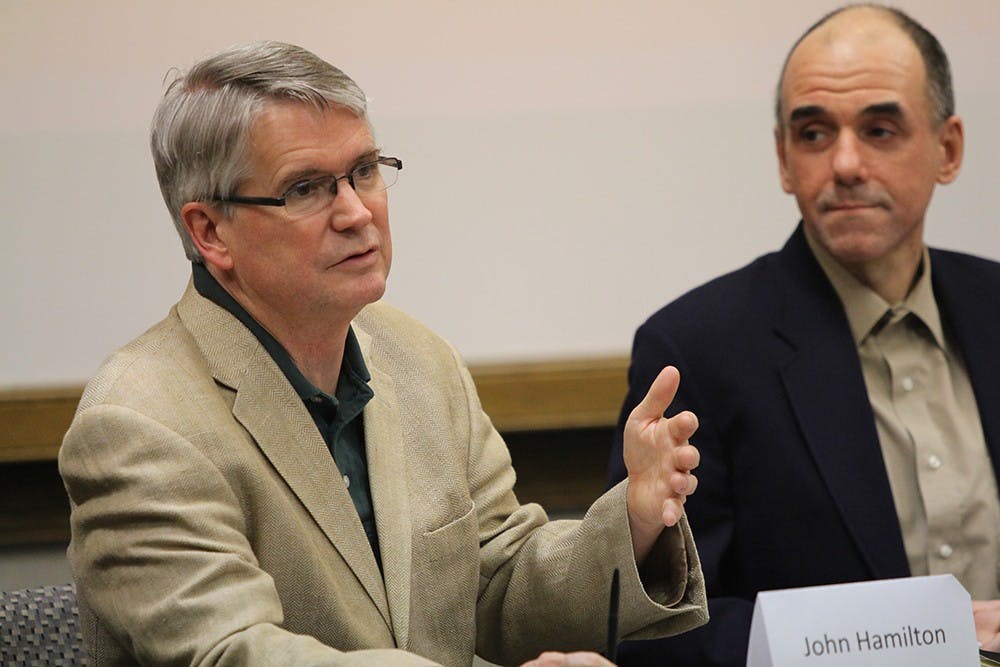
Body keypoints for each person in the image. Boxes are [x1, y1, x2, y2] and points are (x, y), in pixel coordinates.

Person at [58, 41, 708, 667]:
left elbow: (500, 579)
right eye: (306, 188)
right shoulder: (137, 421)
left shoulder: (418, 358)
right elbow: (232, 650)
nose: (356, 212)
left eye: (365, 171)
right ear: (210, 231)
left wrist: (631, 522)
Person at [606, 4, 1000, 666]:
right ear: (785, 160)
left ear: (948, 149)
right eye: (814, 134)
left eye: (879, 129)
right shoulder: (698, 350)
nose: (845, 164)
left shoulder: (994, 307)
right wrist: (895, 641)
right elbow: (659, 627)